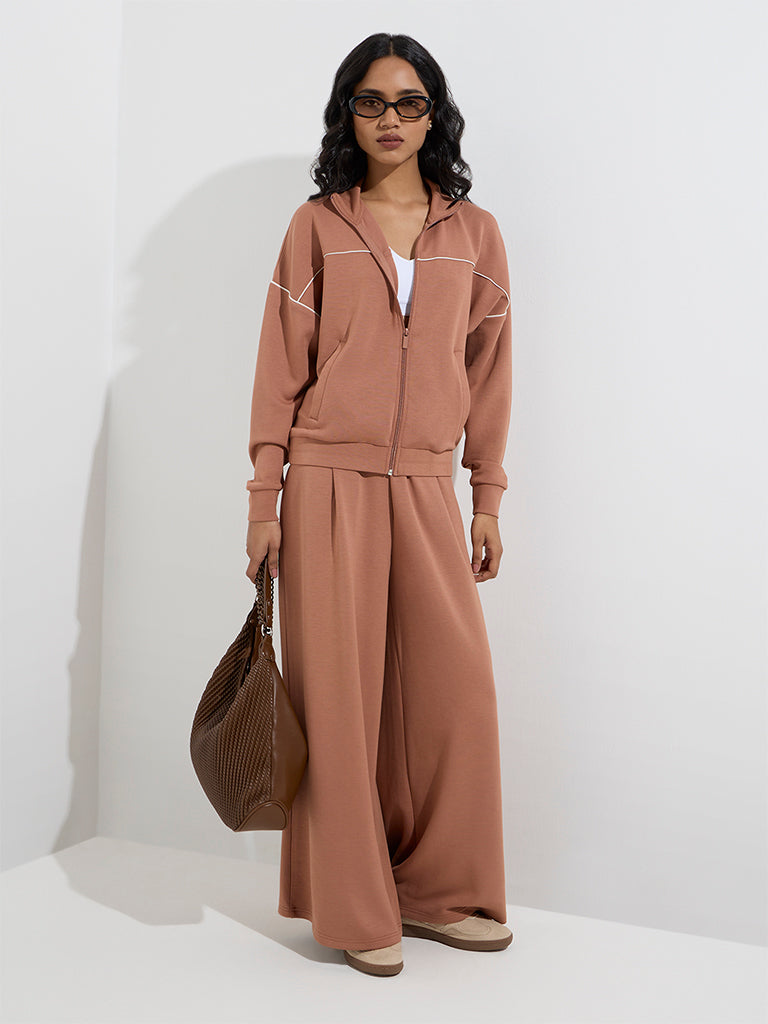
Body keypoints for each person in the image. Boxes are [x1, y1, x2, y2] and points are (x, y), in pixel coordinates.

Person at [244, 32, 514, 978]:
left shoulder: (475, 233)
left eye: (408, 101)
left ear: (434, 114)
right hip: (326, 482)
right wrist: (264, 501)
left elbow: (489, 371)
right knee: (342, 703)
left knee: (454, 695)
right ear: (347, 114)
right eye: (370, 101)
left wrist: (486, 493)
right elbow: (279, 368)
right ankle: (356, 906)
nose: (390, 118)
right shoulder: (317, 225)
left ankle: (440, 891)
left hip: (430, 484)